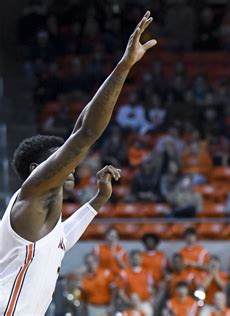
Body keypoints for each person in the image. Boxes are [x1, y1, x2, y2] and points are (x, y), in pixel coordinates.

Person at [0, 12, 156, 315]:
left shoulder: (44, 217)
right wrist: (124, 66)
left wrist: (96, 202)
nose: (70, 165)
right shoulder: (32, 194)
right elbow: (85, 134)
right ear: (36, 170)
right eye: (57, 159)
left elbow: (61, 242)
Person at [117, 251, 154, 316]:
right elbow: (120, 290)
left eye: (138, 258)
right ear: (130, 259)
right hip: (129, 304)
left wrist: (150, 299)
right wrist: (128, 302)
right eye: (134, 258)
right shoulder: (124, 273)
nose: (136, 260)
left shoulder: (147, 273)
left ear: (141, 259)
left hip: (144, 303)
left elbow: (152, 289)